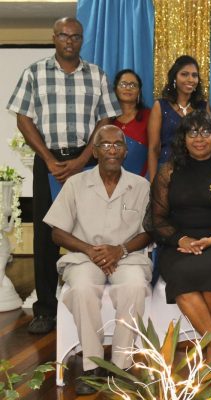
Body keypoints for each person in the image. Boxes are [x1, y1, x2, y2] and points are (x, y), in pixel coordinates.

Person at [6, 16, 120, 334]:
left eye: (75, 37)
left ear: (82, 40)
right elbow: (23, 119)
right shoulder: (34, 73)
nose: (69, 41)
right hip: (49, 164)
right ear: (54, 37)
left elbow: (106, 118)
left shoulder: (96, 75)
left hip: (86, 162)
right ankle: (46, 310)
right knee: (45, 235)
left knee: (89, 231)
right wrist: (50, 159)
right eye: (63, 36)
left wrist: (84, 157)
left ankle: (91, 302)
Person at [43, 125, 151, 395]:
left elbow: (149, 232)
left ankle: (121, 365)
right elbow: (57, 232)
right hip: (84, 255)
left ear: (126, 152)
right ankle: (91, 365)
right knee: (81, 288)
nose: (111, 150)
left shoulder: (140, 185)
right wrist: (91, 250)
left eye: (117, 145)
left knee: (134, 286)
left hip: (126, 256)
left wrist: (119, 250)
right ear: (94, 151)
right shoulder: (76, 183)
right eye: (105, 145)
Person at [147, 110, 211, 373]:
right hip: (177, 244)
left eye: (206, 132)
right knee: (182, 274)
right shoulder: (168, 172)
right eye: (192, 132)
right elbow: (155, 220)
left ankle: (210, 351)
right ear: (183, 138)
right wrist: (182, 238)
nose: (199, 138)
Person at [147, 55, 209, 181]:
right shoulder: (160, 106)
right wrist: (153, 182)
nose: (190, 79)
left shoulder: (204, 107)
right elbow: (154, 148)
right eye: (184, 74)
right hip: (167, 172)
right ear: (175, 77)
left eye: (194, 75)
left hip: (197, 173)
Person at [111, 69, 151, 176]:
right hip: (109, 182)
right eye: (123, 84)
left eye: (133, 85)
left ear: (139, 91)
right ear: (115, 89)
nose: (128, 88)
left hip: (141, 182)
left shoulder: (150, 116)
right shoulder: (107, 120)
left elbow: (156, 150)